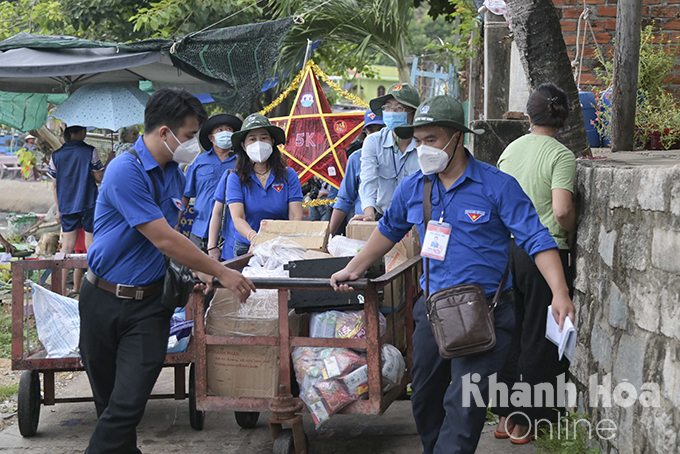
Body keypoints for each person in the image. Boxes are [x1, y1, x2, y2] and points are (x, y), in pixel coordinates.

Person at [330, 95, 575, 454]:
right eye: (418, 141)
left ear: (457, 138)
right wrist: (353, 267)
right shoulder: (414, 187)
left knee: (465, 407)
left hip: (487, 313)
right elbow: (389, 229)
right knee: (425, 399)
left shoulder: (496, 185)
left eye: (431, 140)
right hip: (434, 311)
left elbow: (536, 238)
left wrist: (560, 292)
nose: (423, 148)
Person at [80, 88, 255, 454]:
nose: (193, 144)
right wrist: (221, 272)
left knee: (127, 404)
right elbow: (163, 238)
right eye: (191, 136)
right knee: (110, 406)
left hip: (149, 305)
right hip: (102, 299)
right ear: (164, 132)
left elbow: (177, 236)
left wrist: (202, 269)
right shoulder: (124, 171)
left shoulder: (174, 174)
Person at [492, 83, 576, 444]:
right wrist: (571, 234)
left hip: (508, 252)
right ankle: (527, 420)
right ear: (563, 118)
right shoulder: (561, 155)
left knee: (511, 331)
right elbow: (561, 210)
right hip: (545, 255)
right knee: (538, 338)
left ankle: (504, 415)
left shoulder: (510, 151)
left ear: (528, 115)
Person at [220, 113, 303, 257]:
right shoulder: (235, 178)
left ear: (272, 141)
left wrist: (281, 243)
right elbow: (238, 217)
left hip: (281, 246)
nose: (258, 143)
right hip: (246, 247)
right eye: (252, 139)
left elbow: (296, 216)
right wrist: (254, 238)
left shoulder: (289, 175)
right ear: (243, 146)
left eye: (264, 138)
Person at [48, 125, 104, 292]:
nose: (85, 133)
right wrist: (109, 160)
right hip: (88, 203)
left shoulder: (56, 155)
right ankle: (95, 287)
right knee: (90, 245)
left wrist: (58, 210)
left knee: (66, 247)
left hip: (66, 205)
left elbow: (55, 185)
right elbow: (99, 177)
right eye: (84, 131)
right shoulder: (90, 151)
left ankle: (59, 288)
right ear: (78, 133)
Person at [355, 83, 421, 222]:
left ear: (413, 113)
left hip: (417, 218)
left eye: (399, 108)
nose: (392, 112)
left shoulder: (424, 143)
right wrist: (369, 214)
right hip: (382, 216)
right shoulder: (373, 141)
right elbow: (368, 180)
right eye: (388, 107)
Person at [184, 113, 242, 258]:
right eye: (220, 130)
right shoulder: (198, 162)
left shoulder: (242, 163)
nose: (225, 133)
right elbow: (185, 195)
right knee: (197, 274)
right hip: (200, 230)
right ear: (211, 138)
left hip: (232, 232)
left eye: (229, 129)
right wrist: (175, 223)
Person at [329, 110, 386, 235]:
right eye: (371, 130)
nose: (375, 135)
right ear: (365, 133)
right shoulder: (356, 158)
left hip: (393, 223)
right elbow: (344, 198)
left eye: (380, 129)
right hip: (364, 224)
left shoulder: (396, 154)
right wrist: (328, 236)